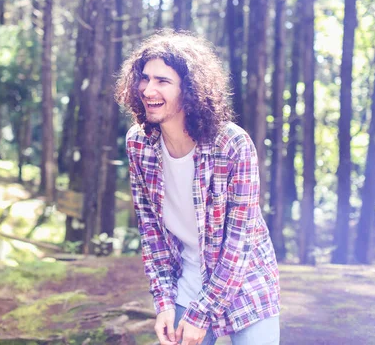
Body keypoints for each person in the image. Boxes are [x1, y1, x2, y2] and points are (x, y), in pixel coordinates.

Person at [115, 31, 280, 345]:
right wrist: (164, 302)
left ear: (190, 90)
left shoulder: (232, 144)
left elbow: (239, 244)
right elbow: (151, 232)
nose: (148, 89)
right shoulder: (139, 144)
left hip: (245, 281)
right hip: (187, 280)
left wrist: (204, 312)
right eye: (144, 79)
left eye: (162, 81)